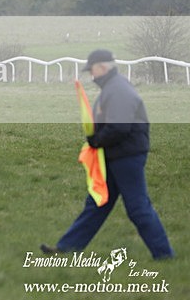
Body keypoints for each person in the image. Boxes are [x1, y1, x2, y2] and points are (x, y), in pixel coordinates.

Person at [41, 49, 175, 260]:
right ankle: (67, 248)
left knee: (138, 208)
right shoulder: (113, 88)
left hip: (127, 156)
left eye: (92, 70)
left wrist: (97, 140)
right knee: (97, 204)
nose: (92, 76)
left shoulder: (118, 90)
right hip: (115, 154)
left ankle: (164, 255)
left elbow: (119, 128)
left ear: (102, 67)